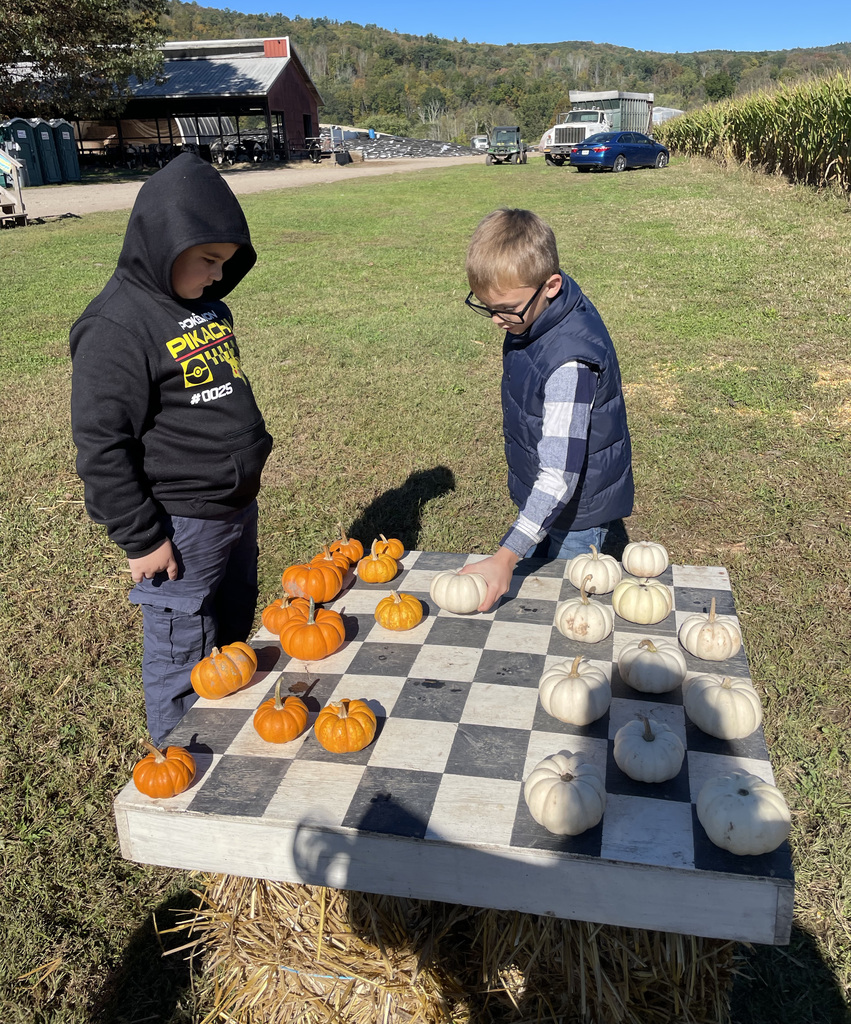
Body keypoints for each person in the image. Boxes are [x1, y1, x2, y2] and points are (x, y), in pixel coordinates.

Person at [70, 152, 273, 744]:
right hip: (178, 523)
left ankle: (228, 735)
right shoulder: (116, 327)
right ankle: (180, 760)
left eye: (225, 263)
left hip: (234, 506)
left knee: (231, 624)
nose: (216, 275)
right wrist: (143, 537)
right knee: (181, 644)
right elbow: (102, 445)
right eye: (207, 260)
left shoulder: (207, 307)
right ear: (163, 242)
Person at [461, 208, 633, 611]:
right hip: (547, 500)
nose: (497, 321)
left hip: (575, 515)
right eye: (487, 307)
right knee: (540, 584)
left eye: (507, 308)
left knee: (566, 610)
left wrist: (507, 555)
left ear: (550, 285)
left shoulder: (570, 362)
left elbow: (558, 478)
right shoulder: (536, 315)